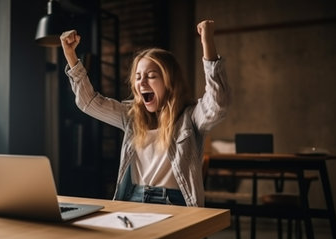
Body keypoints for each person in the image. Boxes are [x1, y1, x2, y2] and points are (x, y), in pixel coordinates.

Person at [60, 20, 230, 207]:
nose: (141, 83)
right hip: (134, 198)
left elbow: (218, 103)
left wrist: (207, 42)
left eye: (151, 76)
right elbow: (89, 102)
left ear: (169, 82)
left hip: (174, 203)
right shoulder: (131, 115)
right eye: (138, 77)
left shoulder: (190, 117)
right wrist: (70, 55)